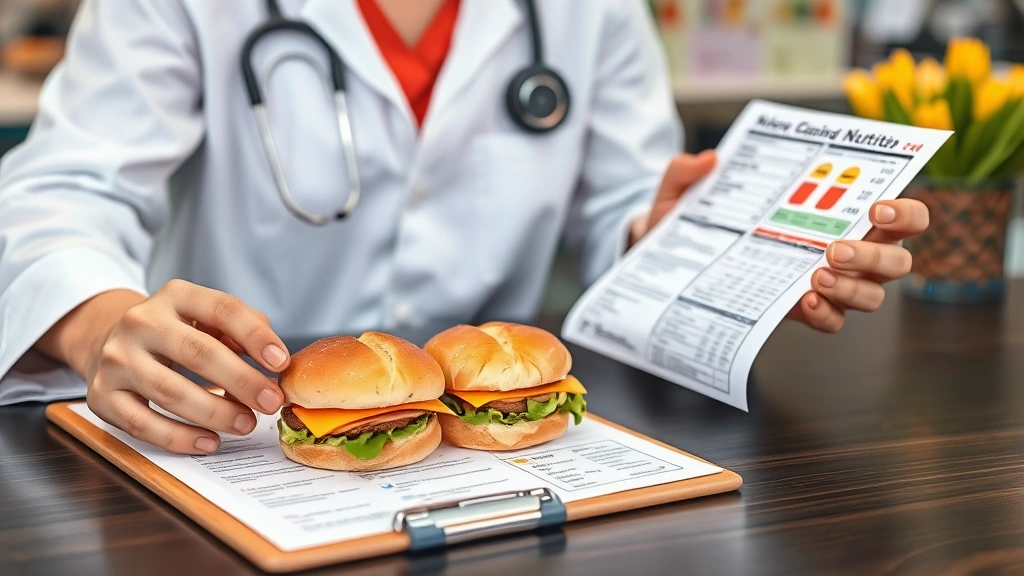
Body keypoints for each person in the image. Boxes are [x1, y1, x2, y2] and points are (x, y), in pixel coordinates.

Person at [0, 0, 927, 455]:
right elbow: (62, 189)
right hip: (236, 415)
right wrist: (95, 321)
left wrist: (689, 255)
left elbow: (622, 207)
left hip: (494, 460)